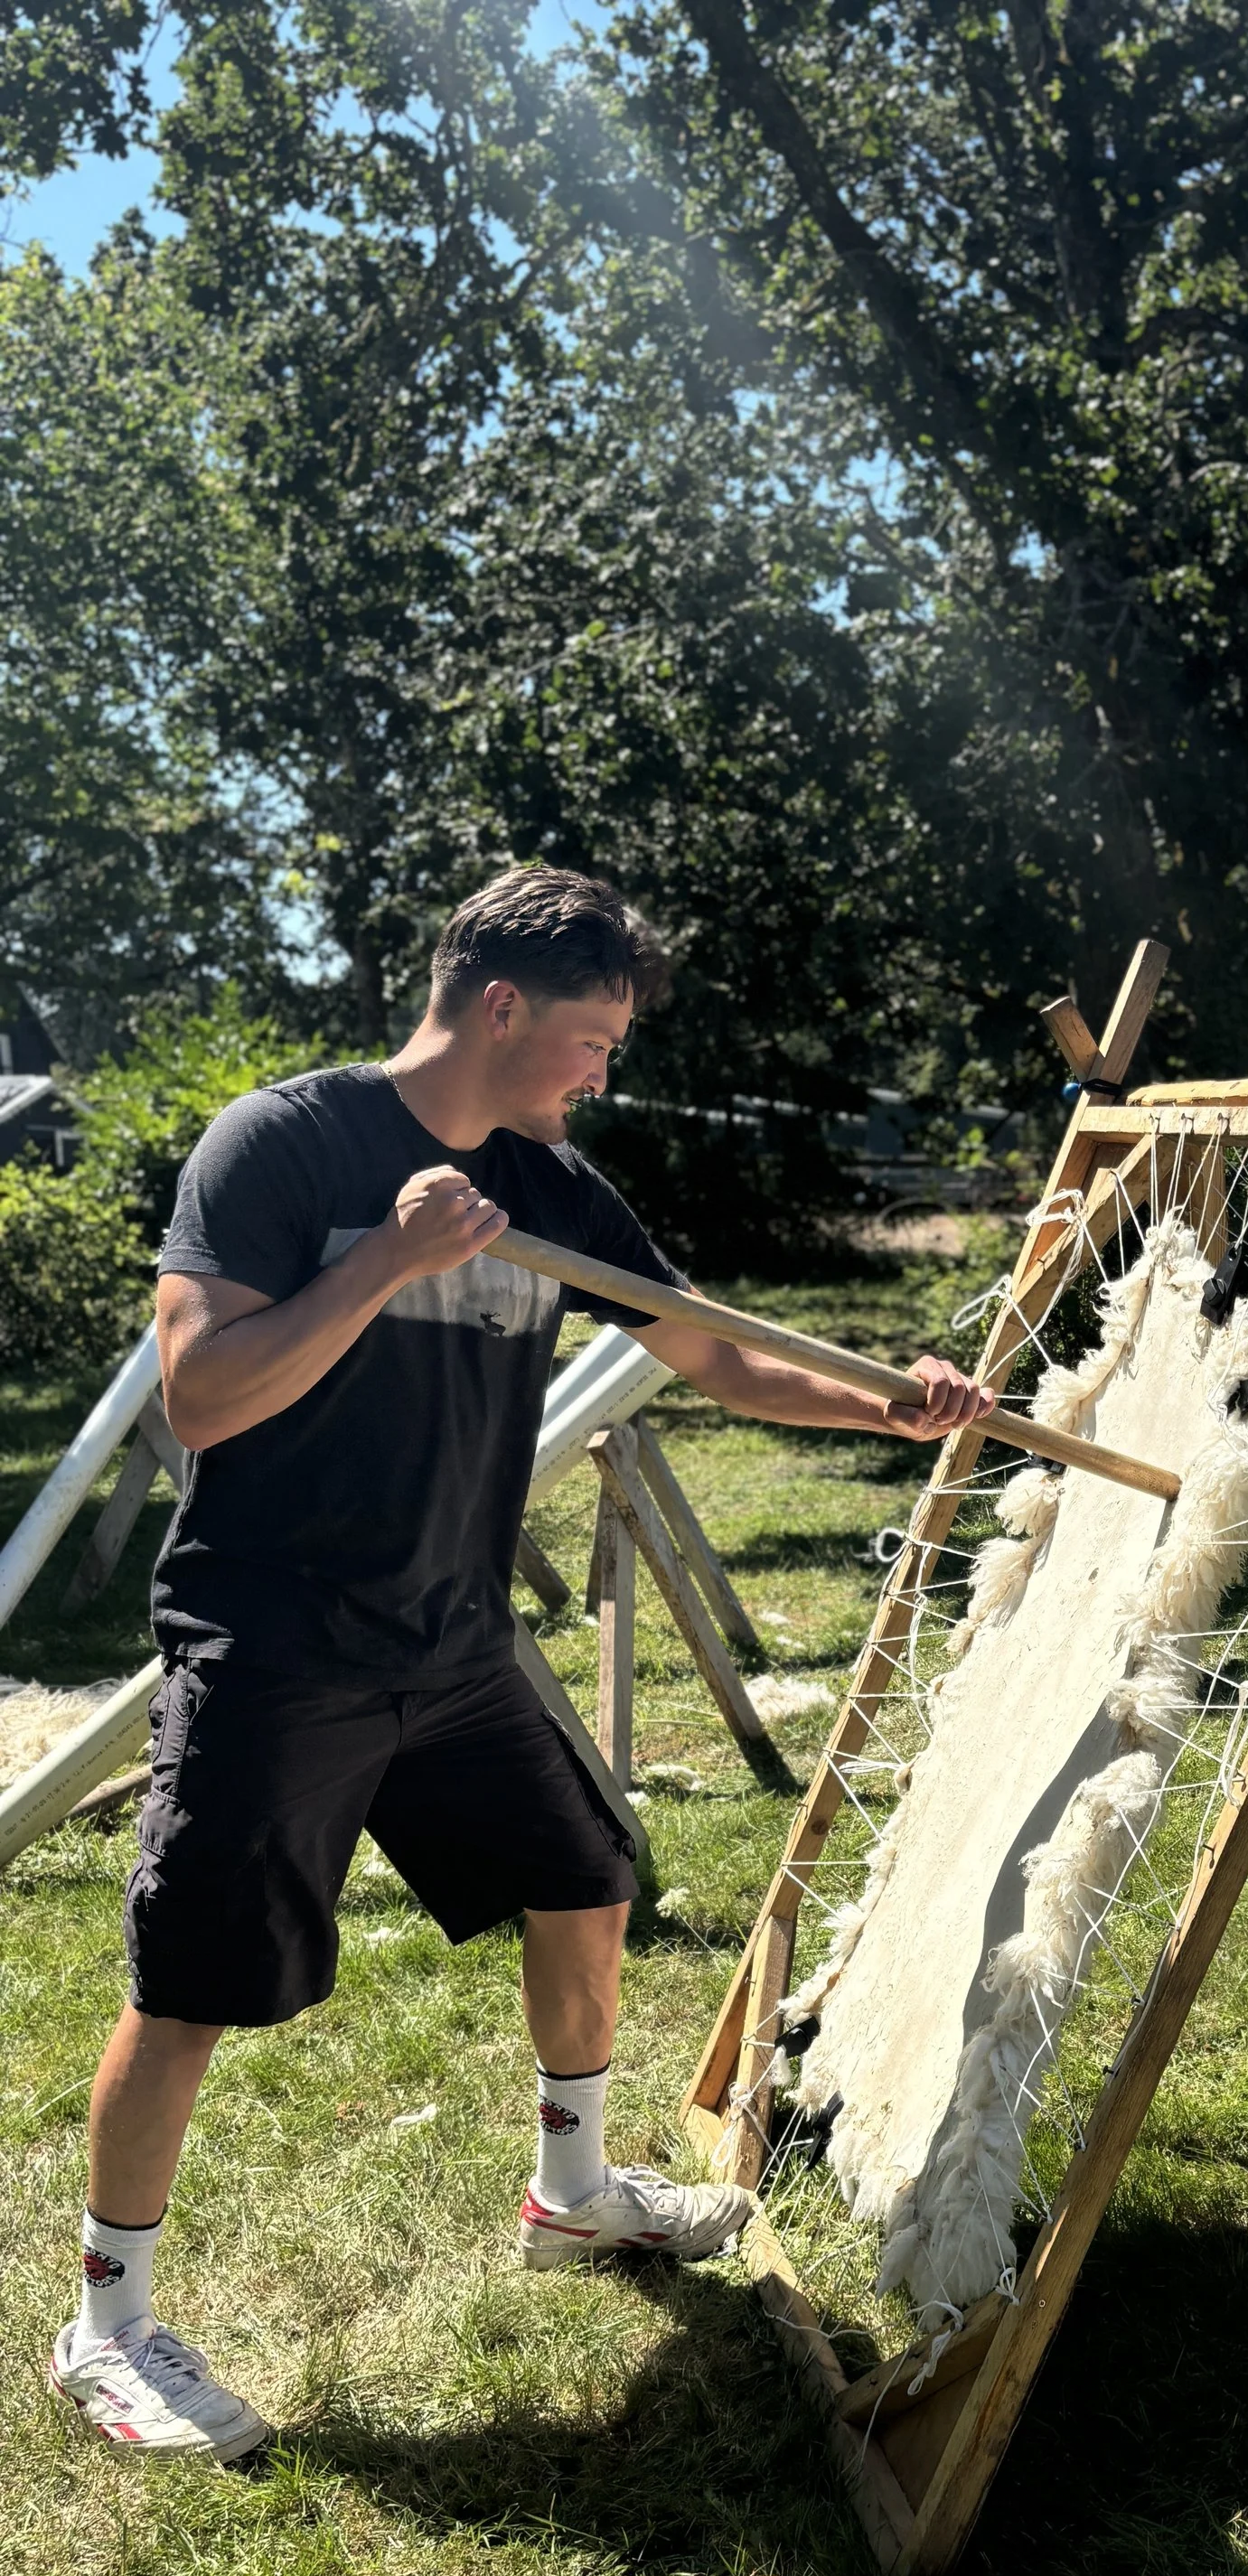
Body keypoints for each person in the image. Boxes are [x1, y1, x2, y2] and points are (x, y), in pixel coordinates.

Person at [50, 865, 993, 2463]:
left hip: (453, 1639)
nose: (603, 1074)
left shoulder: (553, 1184)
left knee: (586, 1875)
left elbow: (713, 1350)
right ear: (500, 1007)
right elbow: (200, 1394)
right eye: (593, 1039)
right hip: (278, 1639)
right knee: (192, 1982)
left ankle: (573, 2191)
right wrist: (383, 1262)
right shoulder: (281, 1144)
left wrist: (888, 1406)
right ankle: (109, 2327)